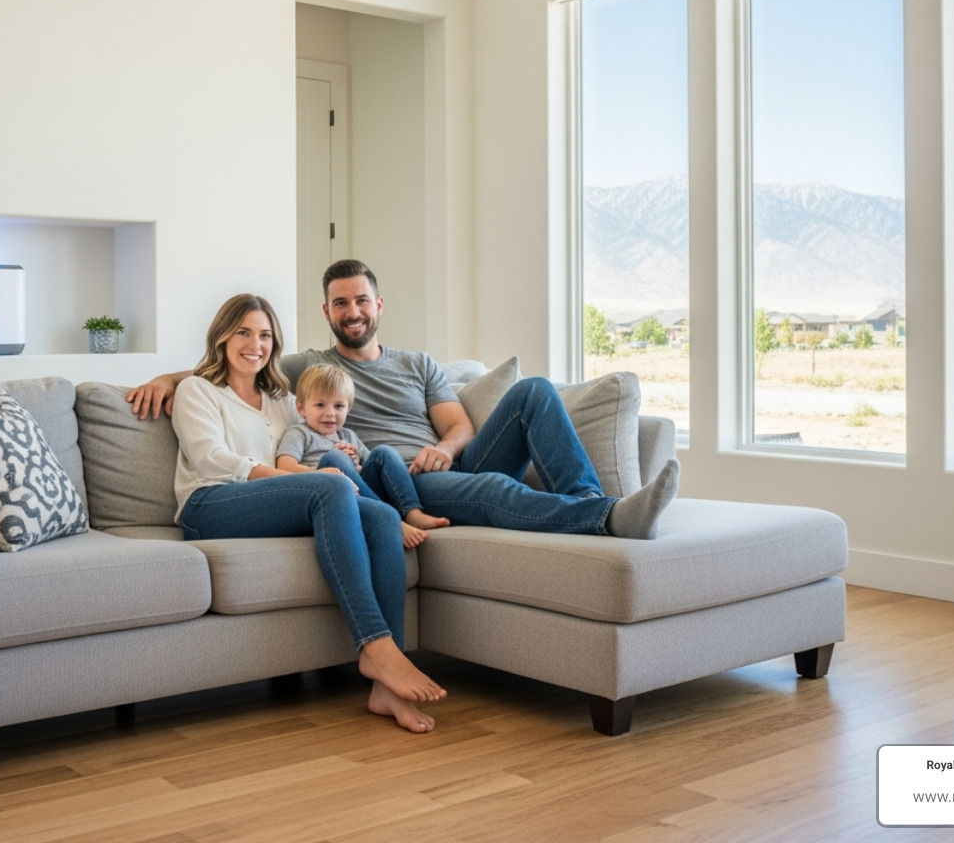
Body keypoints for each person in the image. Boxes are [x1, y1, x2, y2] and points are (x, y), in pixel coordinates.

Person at [129, 260, 679, 540]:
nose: (352, 311)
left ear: (378, 304)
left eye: (360, 300)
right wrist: (173, 378)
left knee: (532, 391)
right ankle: (605, 520)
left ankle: (592, 508)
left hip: (445, 463)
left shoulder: (418, 364)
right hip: (397, 479)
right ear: (326, 313)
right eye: (340, 303)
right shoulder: (313, 370)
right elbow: (248, 362)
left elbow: (459, 424)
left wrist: (447, 444)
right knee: (492, 488)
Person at [168, 292, 443, 733]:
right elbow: (210, 458)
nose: (254, 344)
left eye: (264, 335)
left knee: (383, 518)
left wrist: (339, 466)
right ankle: (377, 646)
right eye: (242, 332)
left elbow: (318, 430)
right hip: (211, 504)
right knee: (330, 486)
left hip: (273, 503)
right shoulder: (196, 390)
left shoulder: (281, 397)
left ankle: (386, 690)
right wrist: (298, 480)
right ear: (221, 336)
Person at [274, 365, 440, 548]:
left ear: (349, 408)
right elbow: (284, 465)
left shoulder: (348, 435)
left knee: (384, 451)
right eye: (320, 405)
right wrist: (323, 472)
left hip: (362, 490)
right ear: (301, 408)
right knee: (336, 458)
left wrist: (355, 463)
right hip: (335, 495)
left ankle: (412, 512)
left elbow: (372, 464)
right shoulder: (299, 433)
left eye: (339, 406)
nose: (330, 413)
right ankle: (396, 522)